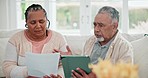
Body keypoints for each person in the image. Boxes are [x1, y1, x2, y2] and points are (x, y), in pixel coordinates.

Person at [2, 4, 71, 78]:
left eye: (41, 21)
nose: (38, 26)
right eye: (33, 22)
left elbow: (64, 66)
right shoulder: (15, 39)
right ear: (26, 22)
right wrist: (28, 72)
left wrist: (59, 76)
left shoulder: (59, 38)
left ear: (46, 21)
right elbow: (7, 68)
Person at [70, 6, 133, 78]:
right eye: (95, 24)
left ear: (114, 26)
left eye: (101, 25)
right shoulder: (90, 41)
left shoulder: (124, 47)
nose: (96, 29)